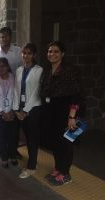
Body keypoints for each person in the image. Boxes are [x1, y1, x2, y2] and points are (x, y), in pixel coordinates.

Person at [40, 41, 84, 186]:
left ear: (62, 54)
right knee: (55, 142)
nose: (52, 54)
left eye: (56, 51)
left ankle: (66, 174)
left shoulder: (70, 70)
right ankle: (58, 168)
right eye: (50, 51)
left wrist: (72, 117)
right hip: (52, 112)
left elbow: (76, 95)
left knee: (66, 143)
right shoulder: (47, 69)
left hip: (67, 112)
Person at [0, 26, 23, 159]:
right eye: (2, 37)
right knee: (2, 130)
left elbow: (20, 69)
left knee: (13, 129)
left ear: (11, 37)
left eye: (7, 36)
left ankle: (13, 151)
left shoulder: (17, 51)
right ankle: (3, 151)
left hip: (14, 89)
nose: (5, 39)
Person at [13, 43, 43, 178]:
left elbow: (37, 92)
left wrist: (25, 110)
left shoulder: (39, 70)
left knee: (32, 138)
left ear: (34, 55)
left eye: (29, 53)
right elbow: (16, 90)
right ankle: (33, 161)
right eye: (24, 53)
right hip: (20, 109)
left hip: (33, 109)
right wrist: (16, 109)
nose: (25, 56)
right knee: (27, 136)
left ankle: (31, 167)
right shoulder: (19, 70)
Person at [0, 57, 18, 168]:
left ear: (7, 66)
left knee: (13, 136)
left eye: (3, 66)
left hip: (12, 112)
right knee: (2, 136)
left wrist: (12, 111)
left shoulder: (14, 79)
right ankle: (5, 158)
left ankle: (13, 156)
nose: (1, 68)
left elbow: (16, 95)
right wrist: (3, 113)